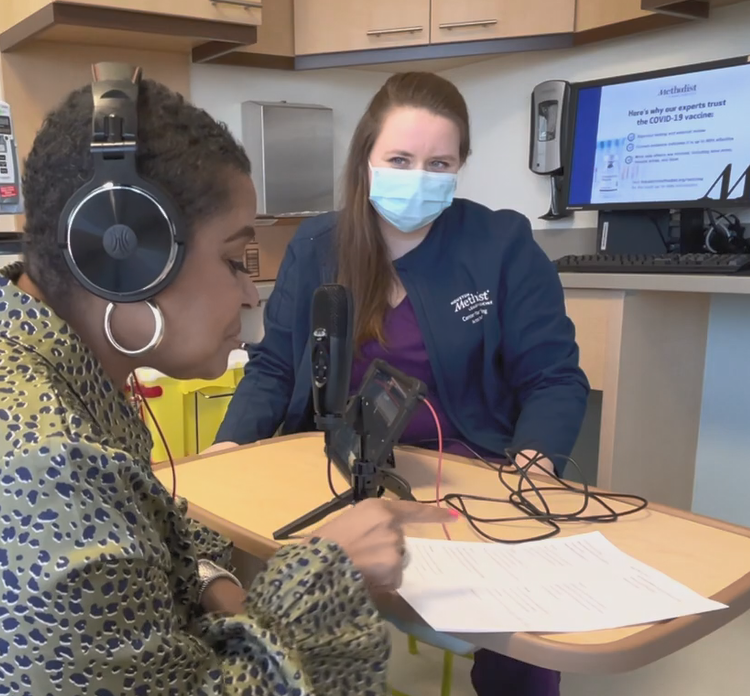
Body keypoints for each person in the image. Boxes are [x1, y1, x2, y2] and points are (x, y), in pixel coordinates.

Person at [0, 69, 457, 695]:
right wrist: (327, 576)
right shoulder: (37, 477)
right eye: (233, 258)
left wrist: (206, 572)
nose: (249, 294)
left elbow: (128, 528)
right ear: (125, 258)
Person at [214, 72, 590, 695]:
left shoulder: (501, 244)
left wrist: (534, 463)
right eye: (399, 159)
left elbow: (553, 376)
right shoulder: (318, 246)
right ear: (366, 159)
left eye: (438, 162)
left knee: (521, 622)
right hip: (334, 469)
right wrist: (228, 450)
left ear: (461, 165)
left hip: (466, 482)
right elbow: (275, 366)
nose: (419, 176)